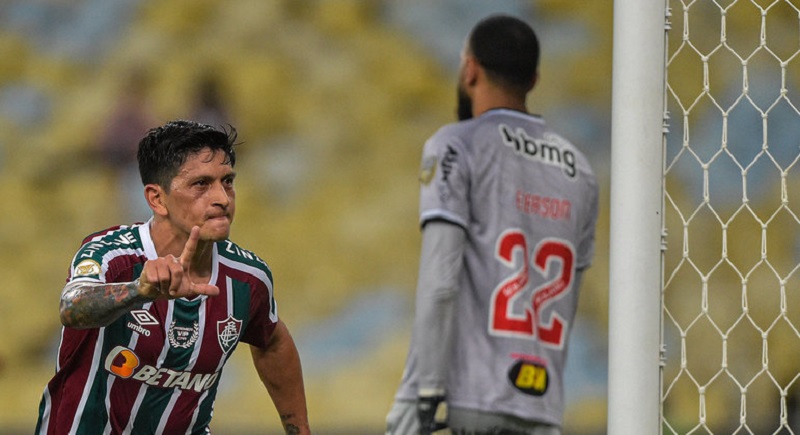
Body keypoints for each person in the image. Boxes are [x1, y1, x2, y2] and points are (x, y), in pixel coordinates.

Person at [386, 14, 599, 435]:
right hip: (543, 405)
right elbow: (570, 297)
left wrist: (421, 391)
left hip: (473, 398)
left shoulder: (456, 146)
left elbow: (440, 280)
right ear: (534, 79)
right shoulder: (581, 171)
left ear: (470, 70)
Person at [36, 120, 311, 434]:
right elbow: (71, 307)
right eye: (201, 185)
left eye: (228, 181)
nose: (222, 197)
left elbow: (272, 341)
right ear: (157, 199)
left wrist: (299, 430)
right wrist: (138, 291)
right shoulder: (111, 255)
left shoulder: (247, 278)